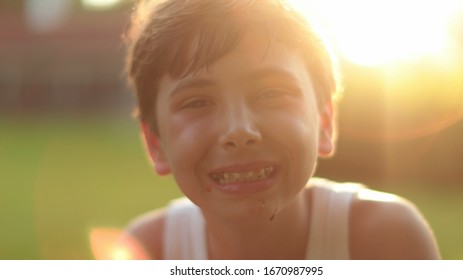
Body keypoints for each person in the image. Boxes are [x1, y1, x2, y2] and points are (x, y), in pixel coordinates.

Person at [122, 0, 440, 259]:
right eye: (197, 102)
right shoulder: (148, 252)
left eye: (272, 94)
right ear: (156, 144)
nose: (239, 130)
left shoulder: (385, 240)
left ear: (324, 123)